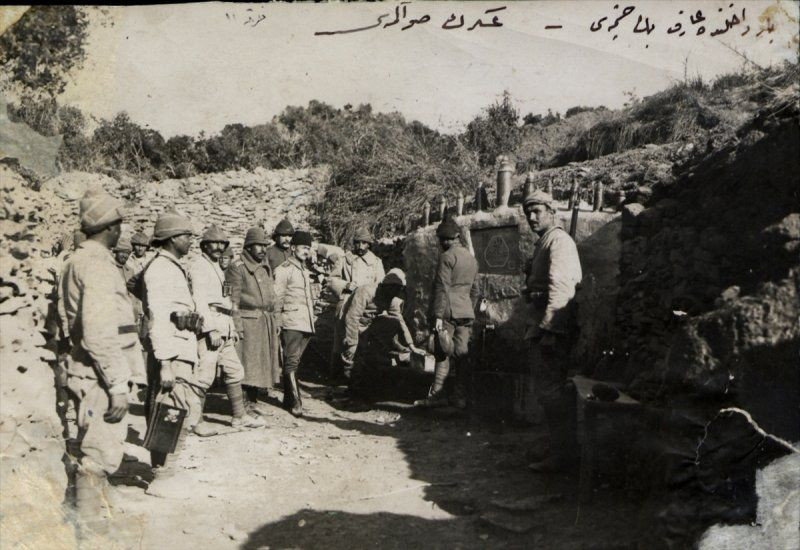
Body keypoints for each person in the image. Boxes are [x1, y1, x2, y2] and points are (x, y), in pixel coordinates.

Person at [58, 188, 143, 530]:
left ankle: (93, 516)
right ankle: (92, 532)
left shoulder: (78, 260)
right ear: (112, 228)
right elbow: (98, 332)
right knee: (99, 453)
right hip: (99, 376)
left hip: (85, 369)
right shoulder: (97, 265)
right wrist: (118, 385)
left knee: (93, 447)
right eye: (119, 224)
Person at [142, 211, 202, 498]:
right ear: (172, 238)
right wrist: (165, 362)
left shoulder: (173, 267)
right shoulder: (160, 270)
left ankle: (168, 473)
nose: (191, 240)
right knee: (168, 412)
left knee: (178, 412)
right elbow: (157, 318)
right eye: (187, 235)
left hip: (180, 350)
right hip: (171, 353)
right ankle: (161, 478)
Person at [522, 190, 583, 472]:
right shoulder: (545, 242)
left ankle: (564, 456)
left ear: (551, 211)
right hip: (544, 325)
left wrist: (549, 330)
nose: (532, 217)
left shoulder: (559, 241)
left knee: (553, 394)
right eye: (528, 213)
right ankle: (559, 448)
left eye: (537, 211)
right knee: (548, 394)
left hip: (552, 330)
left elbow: (561, 288)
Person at [189, 226, 265, 433]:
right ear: (204, 245)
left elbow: (225, 301)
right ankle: (195, 421)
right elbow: (200, 301)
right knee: (204, 375)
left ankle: (239, 417)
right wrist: (210, 329)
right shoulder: (199, 267)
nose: (219, 247)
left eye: (222, 244)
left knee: (234, 371)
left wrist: (231, 329)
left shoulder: (216, 267)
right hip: (211, 328)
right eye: (214, 243)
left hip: (224, 327)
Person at [416, 217, 479, 409]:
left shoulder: (446, 257)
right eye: (442, 239)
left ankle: (437, 396)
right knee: (461, 354)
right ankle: (459, 397)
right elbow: (475, 290)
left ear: (456, 237)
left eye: (446, 239)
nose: (443, 243)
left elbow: (442, 288)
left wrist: (437, 316)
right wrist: (468, 306)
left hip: (448, 311)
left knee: (441, 353)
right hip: (466, 311)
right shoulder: (471, 259)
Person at [226, 227, 281, 415]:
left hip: (265, 321)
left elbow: (273, 297)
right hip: (248, 322)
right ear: (248, 247)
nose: (263, 249)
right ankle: (242, 405)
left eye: (264, 246)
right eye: (258, 246)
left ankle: (252, 401)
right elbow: (231, 300)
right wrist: (237, 325)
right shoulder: (237, 268)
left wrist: (277, 320)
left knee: (261, 364)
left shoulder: (265, 267)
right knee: (247, 365)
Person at [340, 269, 420, 394]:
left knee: (391, 324)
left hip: (367, 324)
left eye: (398, 289)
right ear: (386, 285)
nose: (396, 292)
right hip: (348, 322)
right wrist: (352, 342)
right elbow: (352, 317)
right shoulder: (366, 291)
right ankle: (350, 387)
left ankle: (363, 383)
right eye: (394, 288)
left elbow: (400, 321)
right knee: (351, 353)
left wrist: (411, 345)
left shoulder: (392, 297)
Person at [328, 227, 385, 379]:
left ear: (369, 245)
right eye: (357, 243)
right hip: (346, 303)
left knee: (362, 340)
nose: (360, 247)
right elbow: (331, 280)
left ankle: (356, 378)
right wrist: (345, 285)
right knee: (341, 340)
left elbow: (380, 285)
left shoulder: (376, 263)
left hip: (366, 307)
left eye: (364, 243)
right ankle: (337, 376)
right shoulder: (345, 259)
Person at [274, 231, 317, 417]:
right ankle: (296, 401)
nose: (306, 251)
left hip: (305, 322)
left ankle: (287, 400)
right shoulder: (284, 269)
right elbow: (277, 298)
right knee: (291, 361)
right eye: (303, 247)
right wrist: (277, 321)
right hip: (291, 322)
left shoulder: (304, 270)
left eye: (309, 248)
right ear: (293, 248)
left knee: (295, 361)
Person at [113, 238, 147, 388]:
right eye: (122, 253)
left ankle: (129, 382)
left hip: (129, 316)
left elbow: (134, 294)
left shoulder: (130, 270)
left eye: (127, 253)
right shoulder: (109, 269)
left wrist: (138, 311)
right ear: (115, 252)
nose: (124, 256)